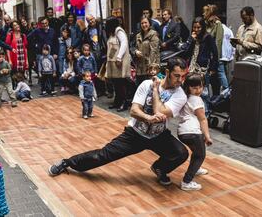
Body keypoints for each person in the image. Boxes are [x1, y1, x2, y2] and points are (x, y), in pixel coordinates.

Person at [48, 58, 189, 186]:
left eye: (183, 76)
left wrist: (155, 91)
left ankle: (160, 168)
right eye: (177, 76)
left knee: (181, 153)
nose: (180, 80)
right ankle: (66, 162)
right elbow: (134, 111)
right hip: (135, 134)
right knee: (101, 156)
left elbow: (159, 111)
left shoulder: (180, 95)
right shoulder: (146, 84)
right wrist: (148, 118)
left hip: (158, 136)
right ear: (167, 72)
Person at [178, 72, 213, 191]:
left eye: (200, 87)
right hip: (193, 132)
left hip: (182, 132)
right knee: (200, 155)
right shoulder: (196, 100)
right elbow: (202, 119)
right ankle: (186, 182)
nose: (198, 90)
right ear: (188, 87)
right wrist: (207, 136)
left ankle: (196, 168)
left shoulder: (184, 97)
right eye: (194, 87)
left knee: (196, 152)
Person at [180, 17, 219, 116]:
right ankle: (194, 110)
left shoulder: (207, 37)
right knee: (192, 89)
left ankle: (206, 112)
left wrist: (213, 68)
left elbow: (215, 53)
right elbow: (186, 52)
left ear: (203, 27)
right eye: (194, 27)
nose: (196, 30)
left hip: (202, 68)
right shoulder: (192, 37)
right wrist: (191, 40)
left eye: (199, 27)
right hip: (192, 67)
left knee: (203, 91)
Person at [105, 17, 131, 112]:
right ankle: (117, 101)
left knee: (121, 82)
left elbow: (124, 43)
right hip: (113, 61)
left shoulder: (119, 31)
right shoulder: (112, 33)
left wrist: (119, 57)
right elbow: (112, 48)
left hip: (120, 61)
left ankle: (124, 103)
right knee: (116, 82)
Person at [203, 4, 227, 95]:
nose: (203, 14)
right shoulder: (206, 24)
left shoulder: (217, 24)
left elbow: (218, 41)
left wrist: (216, 58)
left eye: (205, 12)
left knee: (221, 74)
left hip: (215, 56)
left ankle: (227, 94)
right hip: (207, 55)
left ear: (210, 13)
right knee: (210, 79)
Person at [133, 16, 160, 86]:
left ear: (149, 23)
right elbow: (134, 47)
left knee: (150, 87)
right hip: (139, 67)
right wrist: (135, 52)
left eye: (145, 23)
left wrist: (151, 68)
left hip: (150, 66)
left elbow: (154, 51)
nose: (144, 25)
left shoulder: (154, 34)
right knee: (140, 87)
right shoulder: (138, 35)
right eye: (142, 23)